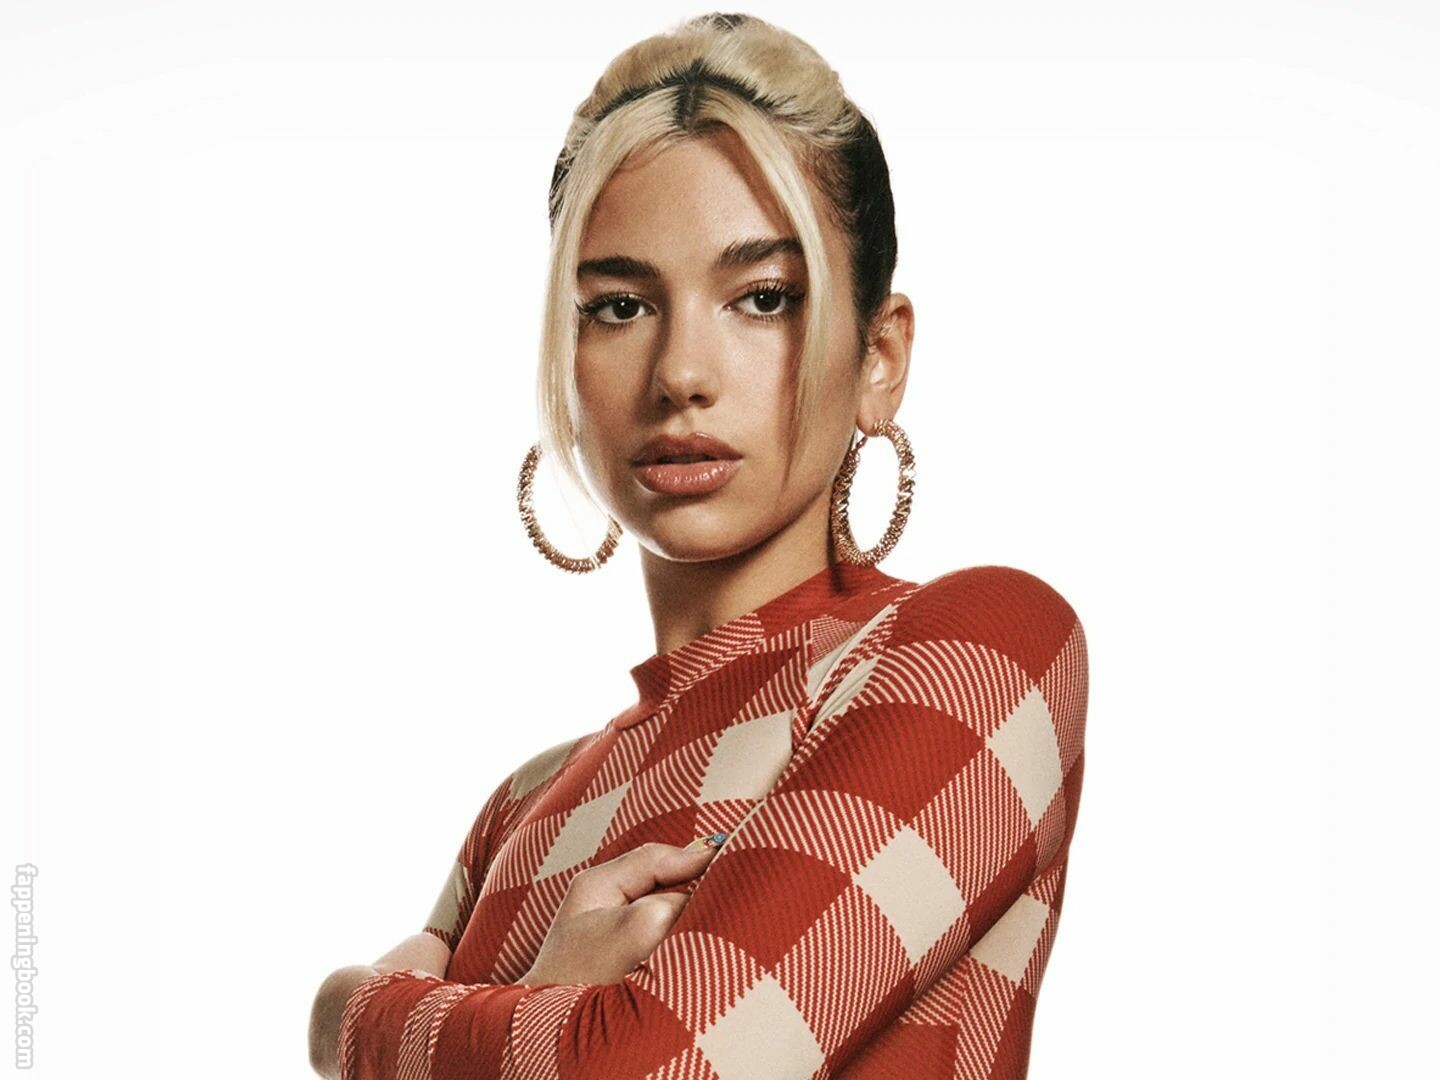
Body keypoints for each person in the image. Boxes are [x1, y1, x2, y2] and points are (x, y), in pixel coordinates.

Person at [309, 12, 1088, 1079]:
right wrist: (554, 1018)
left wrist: (347, 1018)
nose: (681, 372)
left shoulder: (978, 650)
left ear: (880, 357)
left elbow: (649, 1068)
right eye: (620, 306)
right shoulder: (523, 805)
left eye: (762, 298)